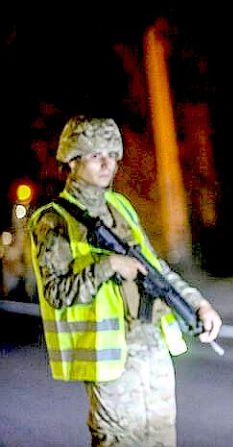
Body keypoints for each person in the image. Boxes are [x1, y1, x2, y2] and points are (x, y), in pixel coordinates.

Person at [28, 115, 222, 447]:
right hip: (110, 362)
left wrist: (197, 303)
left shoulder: (120, 206)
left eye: (112, 155)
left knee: (162, 440)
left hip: (152, 349)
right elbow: (56, 293)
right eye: (95, 155)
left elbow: (154, 268)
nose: (107, 163)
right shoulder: (54, 220)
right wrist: (108, 266)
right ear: (72, 161)